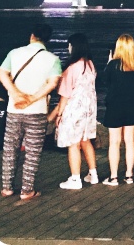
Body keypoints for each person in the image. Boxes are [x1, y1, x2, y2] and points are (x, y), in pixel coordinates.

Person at [0, 23, 62, 200]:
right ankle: (27, 190)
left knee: (10, 149)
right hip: (37, 111)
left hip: (14, 109)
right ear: (48, 39)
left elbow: (2, 73)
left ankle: (7, 188)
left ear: (32, 35)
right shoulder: (53, 59)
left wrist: (15, 94)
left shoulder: (14, 53)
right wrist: (32, 99)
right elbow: (52, 83)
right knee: (33, 153)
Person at [48, 33, 98, 189]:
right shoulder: (90, 65)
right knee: (86, 141)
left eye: (69, 45)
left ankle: (75, 179)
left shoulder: (72, 68)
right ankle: (93, 174)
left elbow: (65, 95)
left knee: (73, 144)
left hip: (74, 110)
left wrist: (59, 114)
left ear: (73, 46)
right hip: (89, 110)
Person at [102, 34, 134, 186]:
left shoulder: (113, 65)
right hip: (131, 106)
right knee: (130, 141)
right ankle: (129, 175)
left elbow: (105, 81)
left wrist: (109, 63)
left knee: (114, 142)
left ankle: (114, 177)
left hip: (115, 106)